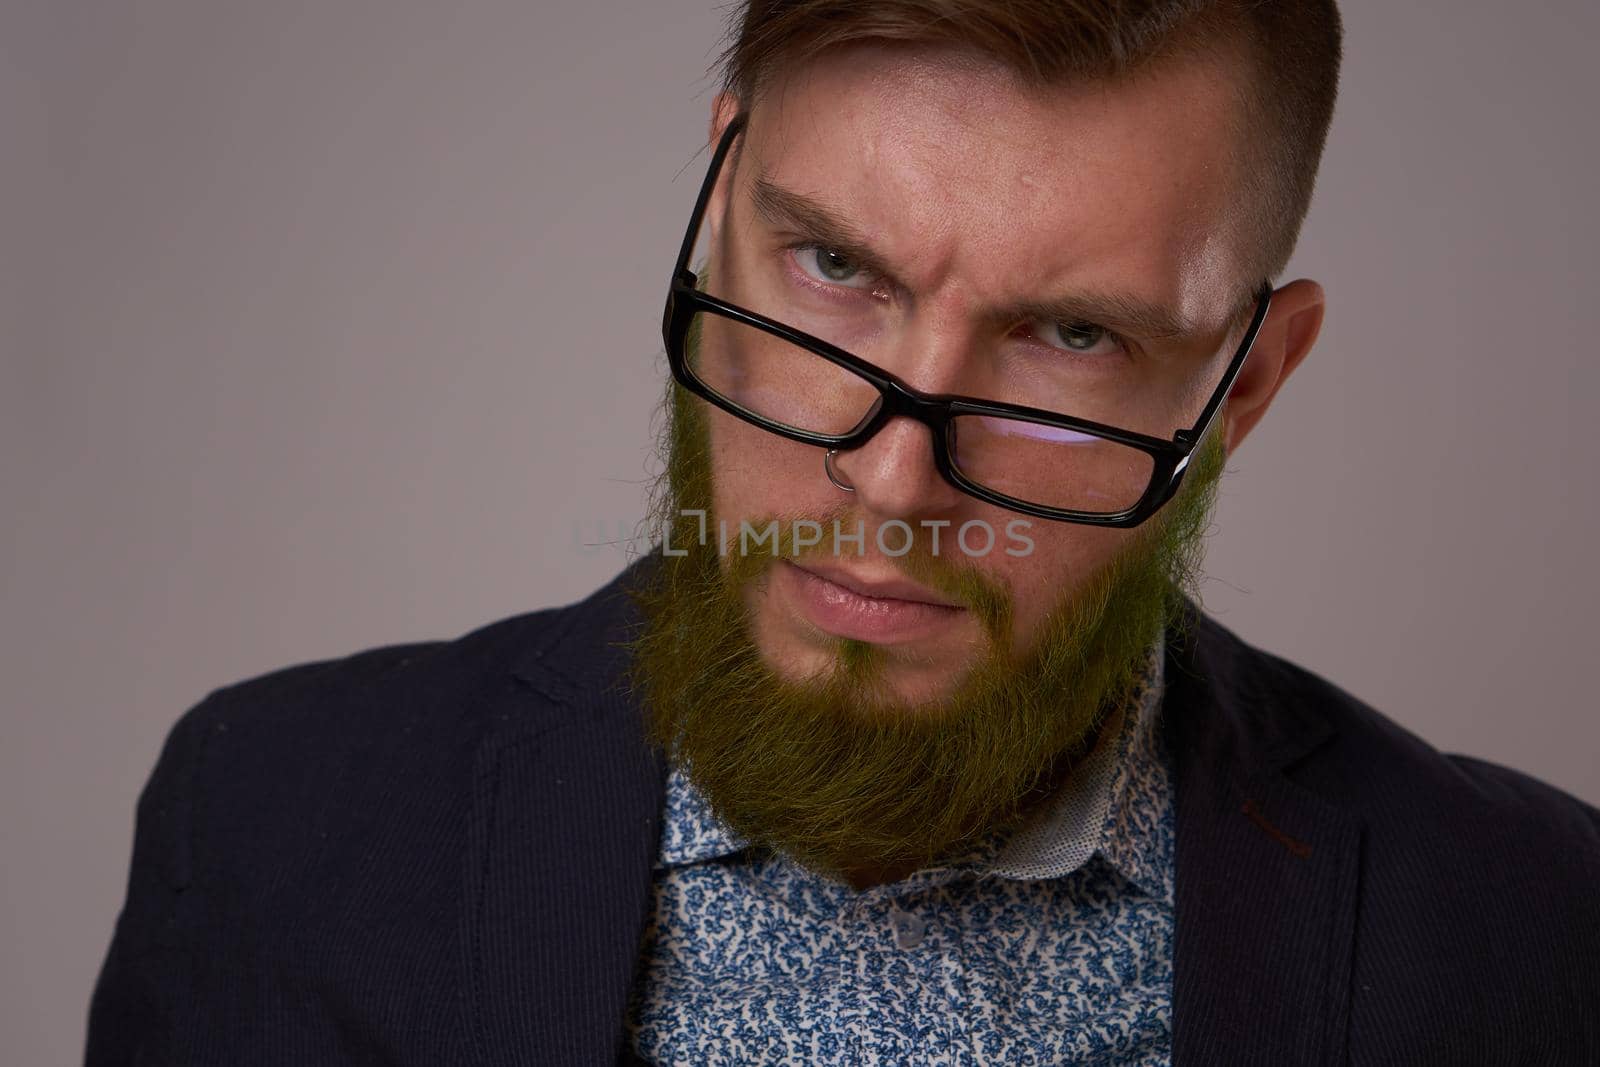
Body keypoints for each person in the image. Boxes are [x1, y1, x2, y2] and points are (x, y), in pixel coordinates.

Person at [87, 1, 1600, 1064]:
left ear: (1246, 381)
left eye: (1069, 334)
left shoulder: (1532, 940)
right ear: (721, 189)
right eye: (830, 265)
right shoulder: (268, 830)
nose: (892, 482)